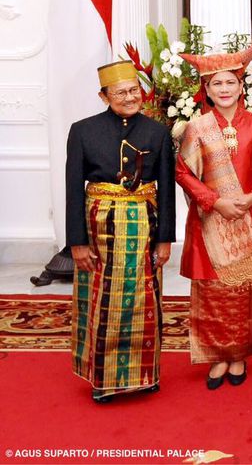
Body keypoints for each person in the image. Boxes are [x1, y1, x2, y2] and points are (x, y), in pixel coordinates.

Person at [66, 61, 175, 403]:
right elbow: (72, 188)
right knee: (101, 302)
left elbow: (167, 189)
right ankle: (103, 379)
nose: (130, 98)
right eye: (121, 92)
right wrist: (77, 242)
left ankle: (144, 375)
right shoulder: (82, 130)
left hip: (144, 225)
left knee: (145, 300)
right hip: (98, 227)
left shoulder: (156, 131)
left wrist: (165, 239)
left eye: (134, 90)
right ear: (104, 96)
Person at [174, 45, 252, 390]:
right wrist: (214, 201)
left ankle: (239, 356)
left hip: (249, 218)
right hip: (210, 221)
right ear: (206, 89)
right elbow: (183, 172)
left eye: (229, 83)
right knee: (213, 291)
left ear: (241, 86)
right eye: (216, 84)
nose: (223, 89)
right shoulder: (196, 127)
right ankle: (217, 356)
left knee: (243, 292)